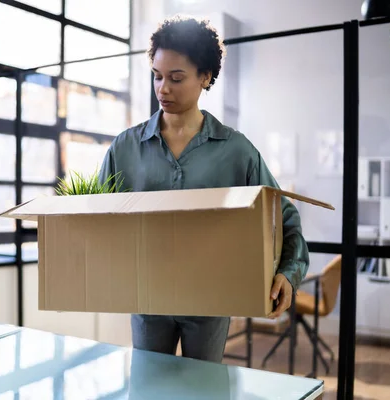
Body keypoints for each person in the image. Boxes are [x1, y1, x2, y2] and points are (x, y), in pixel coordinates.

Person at [97, 15, 309, 364]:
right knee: (150, 387)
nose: (163, 89)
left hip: (212, 300)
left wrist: (288, 273)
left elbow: (285, 218)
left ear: (206, 77)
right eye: (157, 76)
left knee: (206, 390)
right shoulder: (125, 148)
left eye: (176, 78)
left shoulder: (237, 150)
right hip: (148, 299)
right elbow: (95, 217)